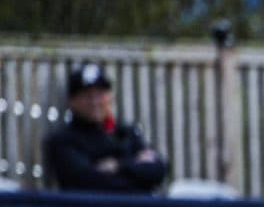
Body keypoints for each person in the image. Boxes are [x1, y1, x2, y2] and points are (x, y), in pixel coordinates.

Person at [41, 63, 169, 194]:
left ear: (110, 96)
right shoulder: (63, 140)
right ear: (72, 101)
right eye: (87, 96)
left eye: (100, 94)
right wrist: (136, 168)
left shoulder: (126, 133)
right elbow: (86, 181)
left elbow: (158, 170)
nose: (94, 102)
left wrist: (118, 166)